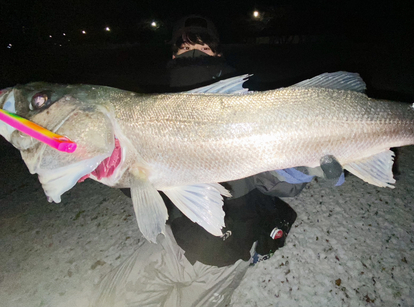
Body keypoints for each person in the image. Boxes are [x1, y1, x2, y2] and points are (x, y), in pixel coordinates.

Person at [94, 15, 329, 306]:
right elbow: (149, 187)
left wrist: (301, 168)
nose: (192, 56)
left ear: (218, 54)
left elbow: (272, 179)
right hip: (173, 242)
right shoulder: (151, 112)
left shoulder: (246, 108)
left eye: (203, 49)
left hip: (225, 256)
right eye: (184, 50)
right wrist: (118, 173)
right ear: (172, 56)